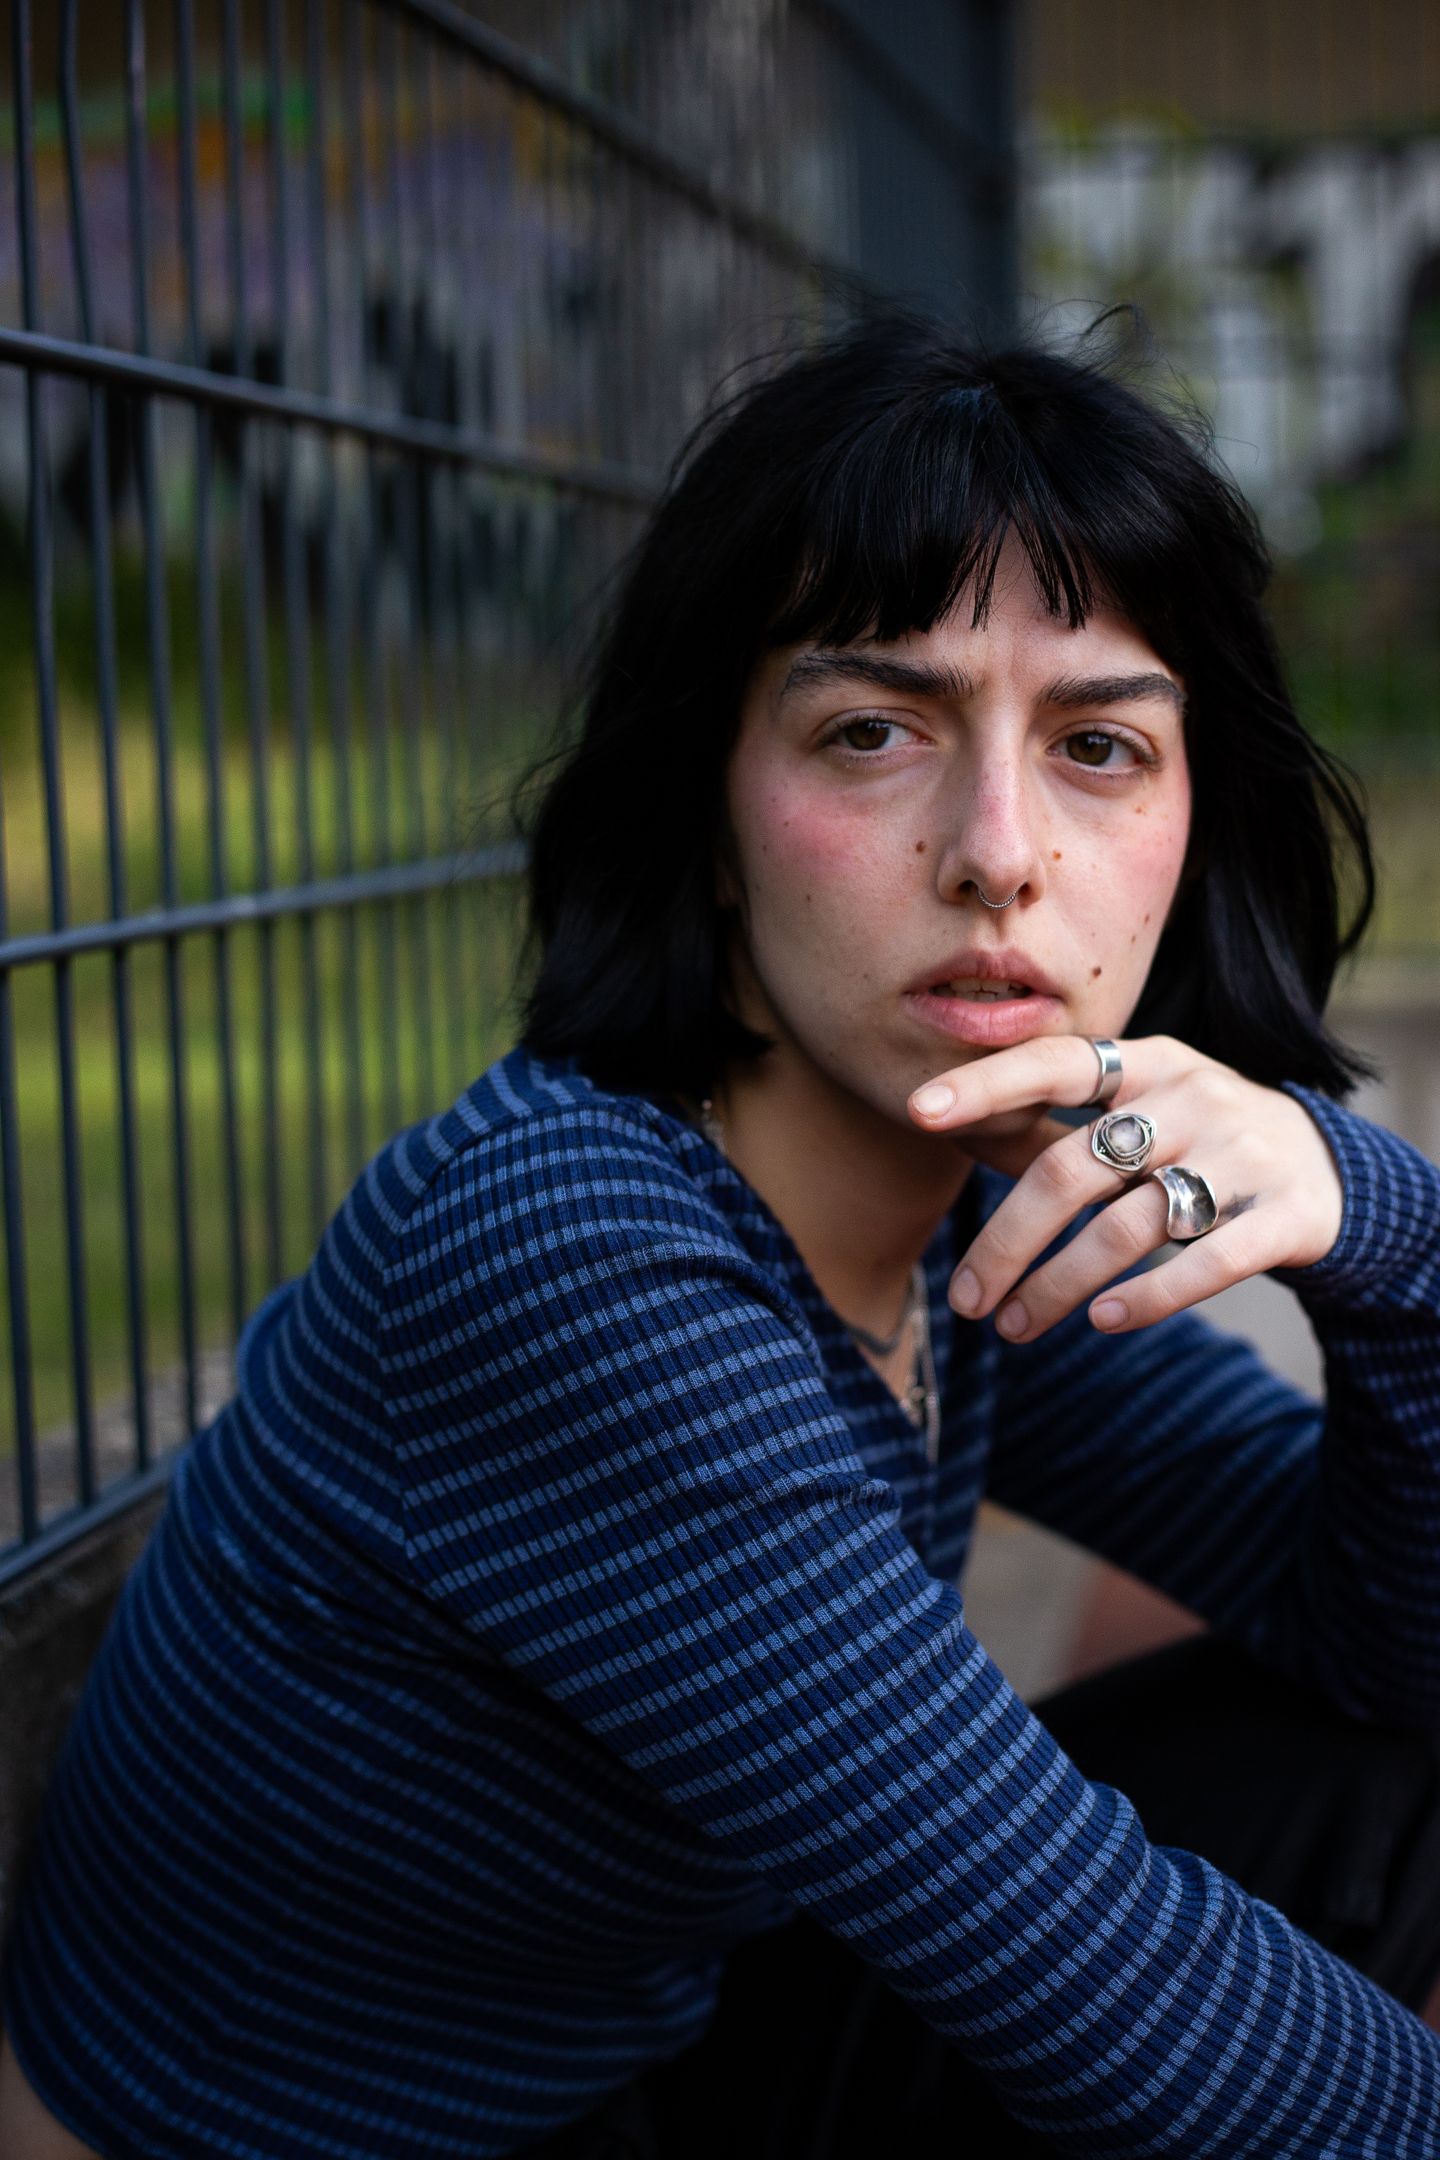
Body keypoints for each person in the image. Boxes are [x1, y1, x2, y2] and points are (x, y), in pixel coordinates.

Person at [4, 310, 1440, 2160]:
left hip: (637, 2056)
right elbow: (1108, 1989)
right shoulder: (570, 1249)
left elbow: (1387, 1649)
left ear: (1193, 828)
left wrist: (1383, 1230)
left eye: (1098, 744)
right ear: (708, 817)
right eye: (873, 730)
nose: (999, 851)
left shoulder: (955, 1221)